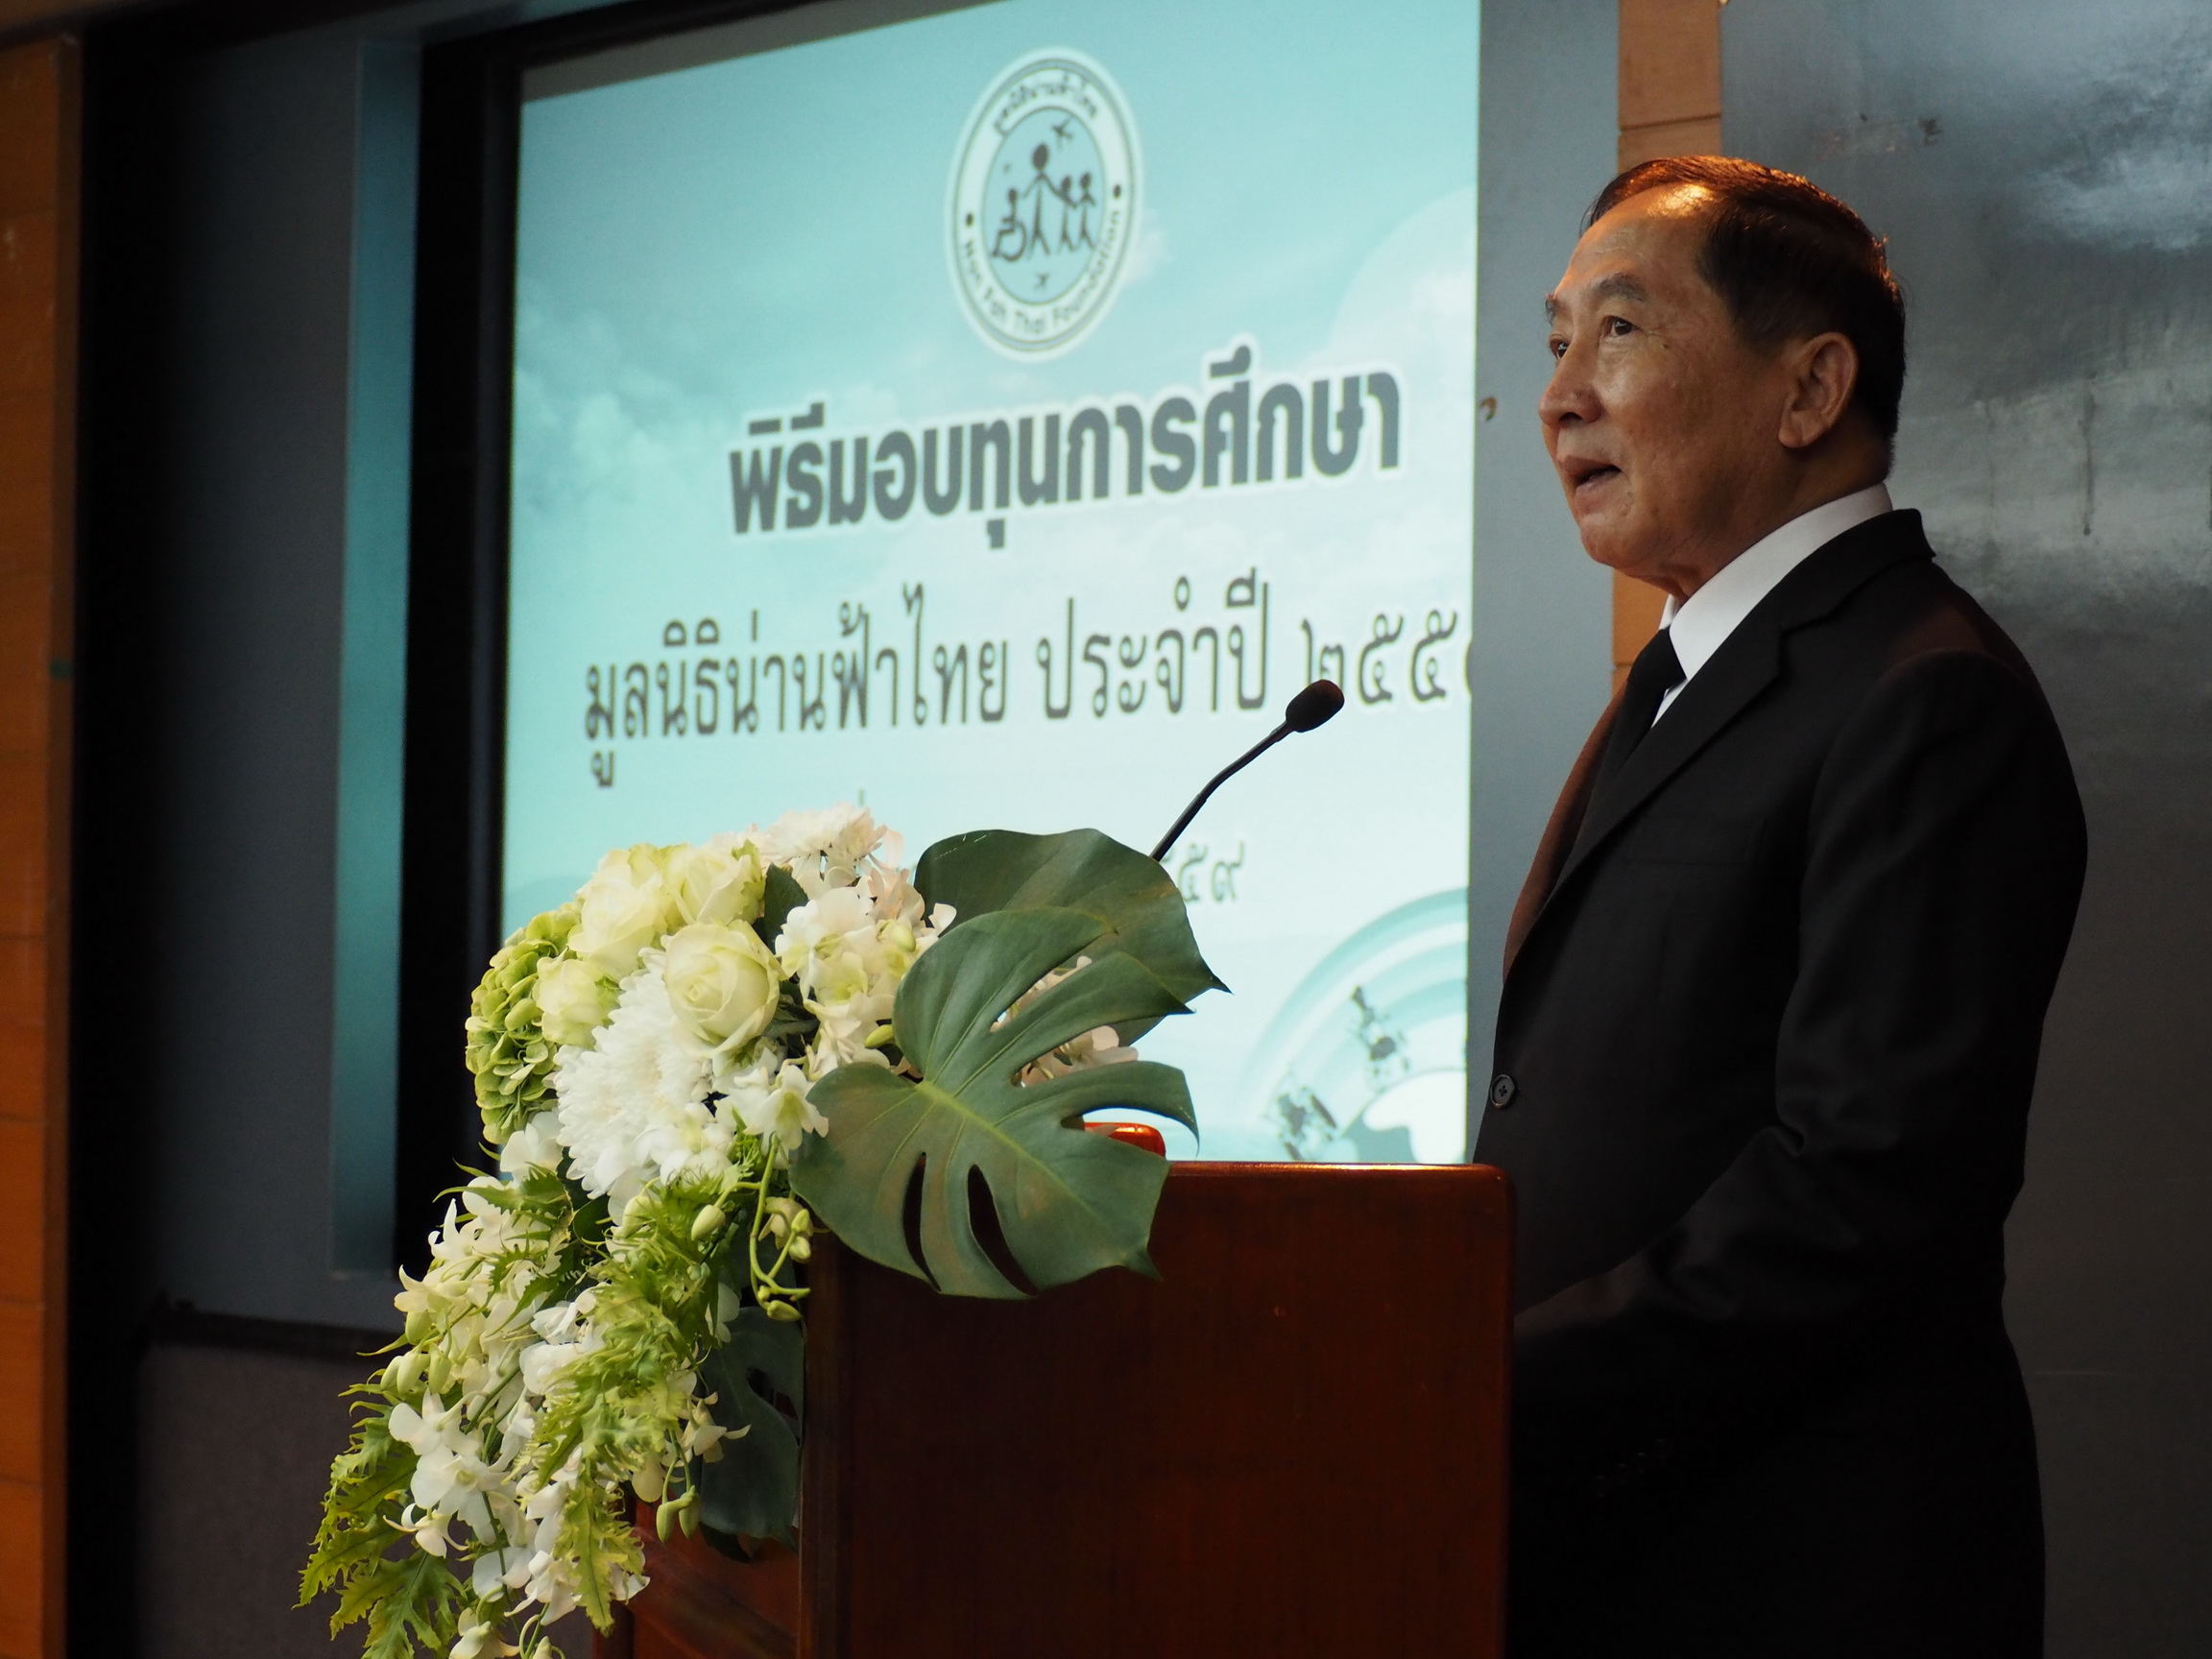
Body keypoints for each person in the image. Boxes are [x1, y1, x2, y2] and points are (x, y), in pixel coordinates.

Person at [1474, 156, 2085, 1657]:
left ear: (1810, 389)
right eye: (1555, 340)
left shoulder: (1925, 695)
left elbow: (1859, 1193)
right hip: (1603, 1553)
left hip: (1793, 1575)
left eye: (1620, 331)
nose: (1558, 398)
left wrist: (1479, 1387)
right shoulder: (1688, 676)